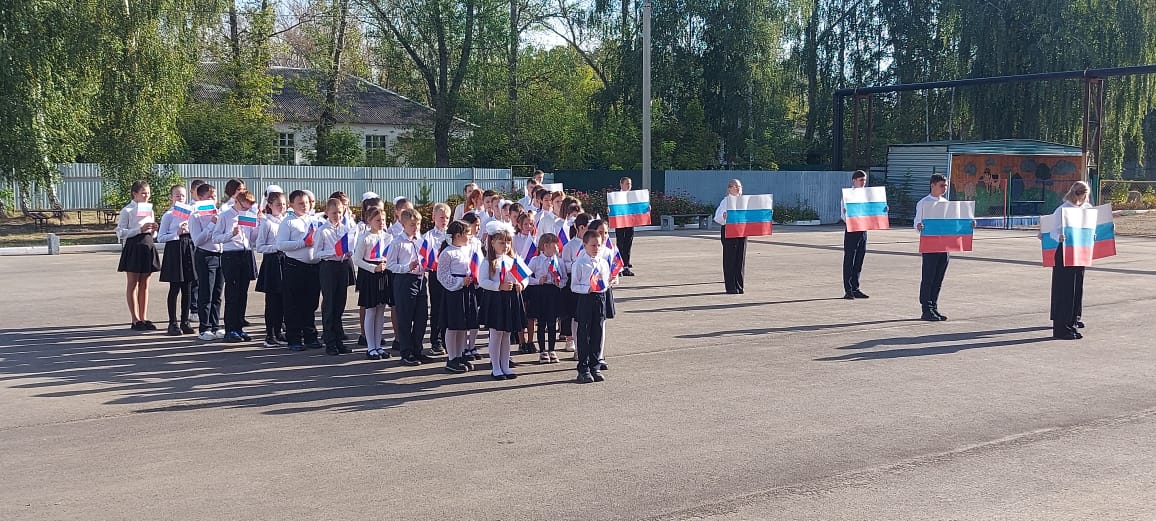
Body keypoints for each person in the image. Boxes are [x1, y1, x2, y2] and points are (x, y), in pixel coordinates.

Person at [477, 221, 528, 380]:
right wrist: (499, 286)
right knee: (496, 333)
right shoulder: (488, 262)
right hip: (496, 299)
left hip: (511, 298)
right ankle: (496, 367)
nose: (505, 245)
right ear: (492, 242)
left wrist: (521, 284)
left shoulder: (514, 259)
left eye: (507, 242)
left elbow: (525, 277)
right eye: (501, 242)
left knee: (507, 334)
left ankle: (506, 365)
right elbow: (482, 281)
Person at [276, 190, 323, 351]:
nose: (305, 206)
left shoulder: (315, 221)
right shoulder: (288, 222)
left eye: (307, 203)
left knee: (311, 303)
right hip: (295, 266)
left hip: (314, 266)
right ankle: (294, 338)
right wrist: (303, 243)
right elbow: (281, 245)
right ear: (292, 205)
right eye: (300, 203)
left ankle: (310, 336)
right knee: (294, 304)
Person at [1046, 181, 1093, 340]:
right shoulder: (1062, 210)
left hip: (1080, 251)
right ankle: (1061, 328)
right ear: (1081, 194)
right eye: (1086, 194)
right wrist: (1058, 237)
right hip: (1065, 252)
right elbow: (1052, 231)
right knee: (1064, 290)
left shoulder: (1086, 209)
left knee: (1076, 288)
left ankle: (1072, 322)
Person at [387, 208, 433, 366]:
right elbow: (391, 265)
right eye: (412, 225)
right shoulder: (397, 242)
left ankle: (417, 349)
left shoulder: (421, 240)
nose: (416, 227)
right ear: (403, 224)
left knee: (421, 317)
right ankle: (406, 352)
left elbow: (426, 258)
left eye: (418, 224)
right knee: (405, 318)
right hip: (404, 280)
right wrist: (407, 267)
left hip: (420, 279)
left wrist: (429, 265)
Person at [213, 189, 259, 343]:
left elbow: (252, 238)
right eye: (245, 207)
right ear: (237, 202)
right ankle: (230, 329)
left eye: (249, 207)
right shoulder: (225, 215)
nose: (247, 209)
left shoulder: (248, 215)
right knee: (232, 294)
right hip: (231, 254)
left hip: (245, 254)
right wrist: (231, 234)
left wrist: (257, 225)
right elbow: (215, 237)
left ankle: (239, 327)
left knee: (243, 293)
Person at [117, 180, 161, 331]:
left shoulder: (149, 209)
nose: (146, 196)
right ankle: (135, 319)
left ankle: (144, 317)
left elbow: (152, 232)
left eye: (148, 193)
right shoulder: (127, 210)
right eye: (143, 193)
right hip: (134, 246)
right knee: (133, 283)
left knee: (145, 283)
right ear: (134, 194)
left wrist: (154, 229)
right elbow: (120, 232)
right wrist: (138, 229)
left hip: (147, 244)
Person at [436, 221, 480, 373]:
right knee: (453, 326)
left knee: (463, 326)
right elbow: (441, 275)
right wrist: (460, 282)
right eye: (467, 233)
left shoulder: (467, 250)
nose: (470, 236)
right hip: (454, 293)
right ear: (458, 235)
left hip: (467, 290)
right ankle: (452, 357)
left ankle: (460, 354)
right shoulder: (447, 253)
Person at [353, 206, 395, 359]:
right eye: (377, 220)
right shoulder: (365, 238)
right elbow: (357, 259)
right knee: (371, 310)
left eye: (383, 220)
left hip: (384, 273)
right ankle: (370, 346)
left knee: (381, 310)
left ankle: (378, 345)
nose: (381, 223)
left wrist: (386, 266)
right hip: (370, 274)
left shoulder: (388, 237)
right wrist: (373, 268)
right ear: (369, 221)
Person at [571, 229, 611, 384]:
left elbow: (605, 282)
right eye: (593, 245)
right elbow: (574, 285)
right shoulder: (580, 263)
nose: (596, 248)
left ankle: (595, 366)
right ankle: (583, 368)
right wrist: (586, 288)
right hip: (585, 299)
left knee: (597, 332)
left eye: (599, 245)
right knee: (584, 333)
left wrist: (604, 285)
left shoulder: (603, 263)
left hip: (599, 298)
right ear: (585, 245)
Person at [316, 198, 355, 355]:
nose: (337, 216)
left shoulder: (345, 229)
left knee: (340, 303)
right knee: (330, 304)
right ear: (327, 213)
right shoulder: (323, 231)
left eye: (339, 212)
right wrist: (333, 252)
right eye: (333, 213)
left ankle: (339, 339)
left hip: (342, 265)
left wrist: (348, 251)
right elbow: (317, 252)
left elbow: (350, 246)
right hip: (329, 266)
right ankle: (330, 340)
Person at [157, 184, 197, 336]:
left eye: (183, 196)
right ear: (172, 198)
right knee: (175, 288)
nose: (180, 198)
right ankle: (172, 322)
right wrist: (176, 233)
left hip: (188, 248)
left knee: (188, 287)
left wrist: (190, 232)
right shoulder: (169, 214)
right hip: (174, 249)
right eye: (177, 195)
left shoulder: (190, 213)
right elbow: (160, 237)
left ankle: (185, 321)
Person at [190, 183, 225, 340]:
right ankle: (205, 328)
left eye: (215, 196)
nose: (213, 199)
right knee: (206, 292)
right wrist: (212, 223)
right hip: (205, 255)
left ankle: (216, 325)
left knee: (218, 293)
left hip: (220, 254)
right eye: (209, 196)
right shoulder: (195, 216)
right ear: (201, 197)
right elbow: (197, 240)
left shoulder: (221, 213)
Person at [914, 173, 952, 321]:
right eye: (942, 185)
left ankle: (934, 307)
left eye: (946, 185)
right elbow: (917, 223)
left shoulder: (946, 202)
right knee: (928, 278)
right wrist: (919, 226)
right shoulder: (924, 203)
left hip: (944, 245)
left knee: (938, 278)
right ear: (933, 185)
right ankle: (926, 309)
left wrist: (967, 225)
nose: (945, 188)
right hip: (930, 245)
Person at [527, 233, 567, 363]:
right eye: (555, 245)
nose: (558, 247)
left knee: (552, 322)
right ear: (546, 246)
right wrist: (538, 280)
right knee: (542, 322)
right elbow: (526, 277)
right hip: (540, 292)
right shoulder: (536, 260)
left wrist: (559, 282)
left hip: (553, 292)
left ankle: (552, 349)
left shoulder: (558, 261)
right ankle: (542, 351)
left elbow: (565, 279)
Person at [254, 191, 287, 347]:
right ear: (270, 205)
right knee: (272, 301)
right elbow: (259, 246)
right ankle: (269, 334)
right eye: (278, 204)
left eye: (284, 204)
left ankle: (279, 331)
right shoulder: (267, 223)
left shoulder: (286, 221)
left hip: (285, 261)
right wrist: (276, 247)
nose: (281, 207)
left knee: (283, 300)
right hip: (272, 262)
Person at [424, 203, 452, 356]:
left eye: (447, 217)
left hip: (450, 273)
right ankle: (435, 340)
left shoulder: (451, 235)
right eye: (441, 217)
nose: (444, 220)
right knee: (437, 307)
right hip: (435, 274)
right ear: (434, 217)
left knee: (448, 307)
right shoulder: (429, 236)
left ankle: (447, 338)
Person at [713, 179, 746, 294]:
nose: (738, 188)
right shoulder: (725, 201)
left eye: (739, 186)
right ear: (729, 188)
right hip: (729, 232)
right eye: (735, 186)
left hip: (741, 232)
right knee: (730, 259)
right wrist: (724, 216)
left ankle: (739, 285)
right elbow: (717, 218)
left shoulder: (745, 201)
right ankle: (731, 286)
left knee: (740, 259)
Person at [841, 170, 870, 299]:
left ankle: (855, 287)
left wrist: (883, 210)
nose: (863, 182)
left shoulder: (868, 195)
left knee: (859, 259)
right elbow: (843, 215)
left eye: (864, 180)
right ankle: (848, 289)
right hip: (852, 229)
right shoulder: (848, 195)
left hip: (863, 229)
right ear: (854, 181)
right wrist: (849, 216)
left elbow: (872, 211)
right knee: (849, 260)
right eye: (861, 180)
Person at [614, 176, 637, 276]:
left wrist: (646, 208)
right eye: (627, 184)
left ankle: (626, 266)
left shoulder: (633, 196)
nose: (629, 186)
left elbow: (638, 208)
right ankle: (619, 266)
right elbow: (612, 209)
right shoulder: (615, 196)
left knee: (628, 244)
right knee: (620, 244)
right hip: (620, 223)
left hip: (630, 222)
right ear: (621, 184)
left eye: (630, 184)